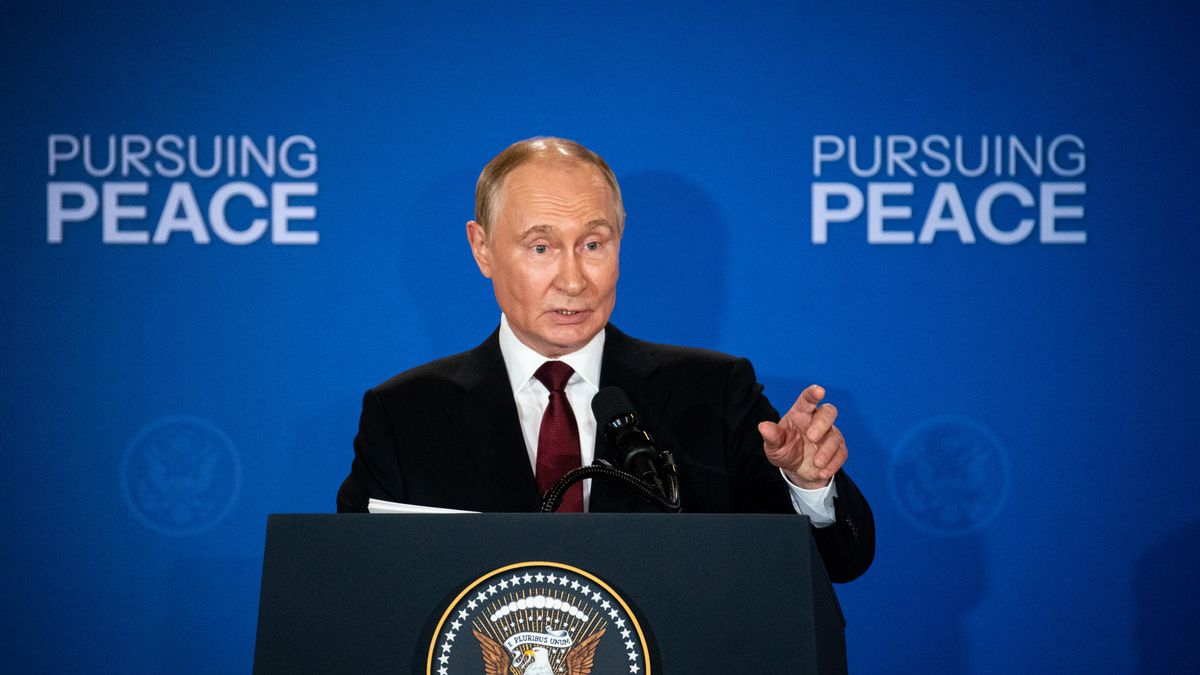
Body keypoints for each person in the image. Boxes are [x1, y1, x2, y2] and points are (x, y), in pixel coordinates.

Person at [337, 137, 874, 582]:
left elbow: (838, 563)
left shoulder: (714, 394)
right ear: (482, 249)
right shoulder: (406, 416)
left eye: (593, 244)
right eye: (541, 247)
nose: (573, 280)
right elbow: (361, 594)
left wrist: (809, 487)